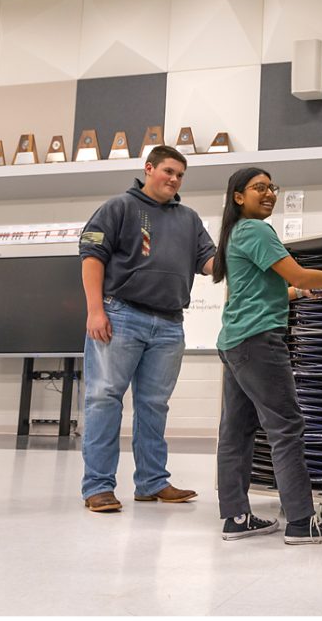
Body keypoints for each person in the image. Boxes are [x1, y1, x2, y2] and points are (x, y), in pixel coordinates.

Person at [212, 167, 322, 544]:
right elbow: (297, 274)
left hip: (234, 341)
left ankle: (236, 517)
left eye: (272, 188)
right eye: (259, 188)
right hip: (258, 344)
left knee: (236, 432)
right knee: (287, 429)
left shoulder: (234, 234)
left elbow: (260, 292)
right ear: (238, 196)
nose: (269, 194)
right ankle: (302, 522)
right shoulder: (256, 229)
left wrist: (297, 295)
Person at [79, 145, 216, 513]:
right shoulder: (119, 207)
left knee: (154, 405)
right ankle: (98, 487)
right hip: (121, 315)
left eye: (180, 175)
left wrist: (246, 251)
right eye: (168, 171)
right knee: (104, 399)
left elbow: (210, 263)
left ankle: (152, 482)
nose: (174, 179)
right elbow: (92, 257)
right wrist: (95, 310)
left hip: (170, 324)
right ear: (149, 168)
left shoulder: (189, 218)